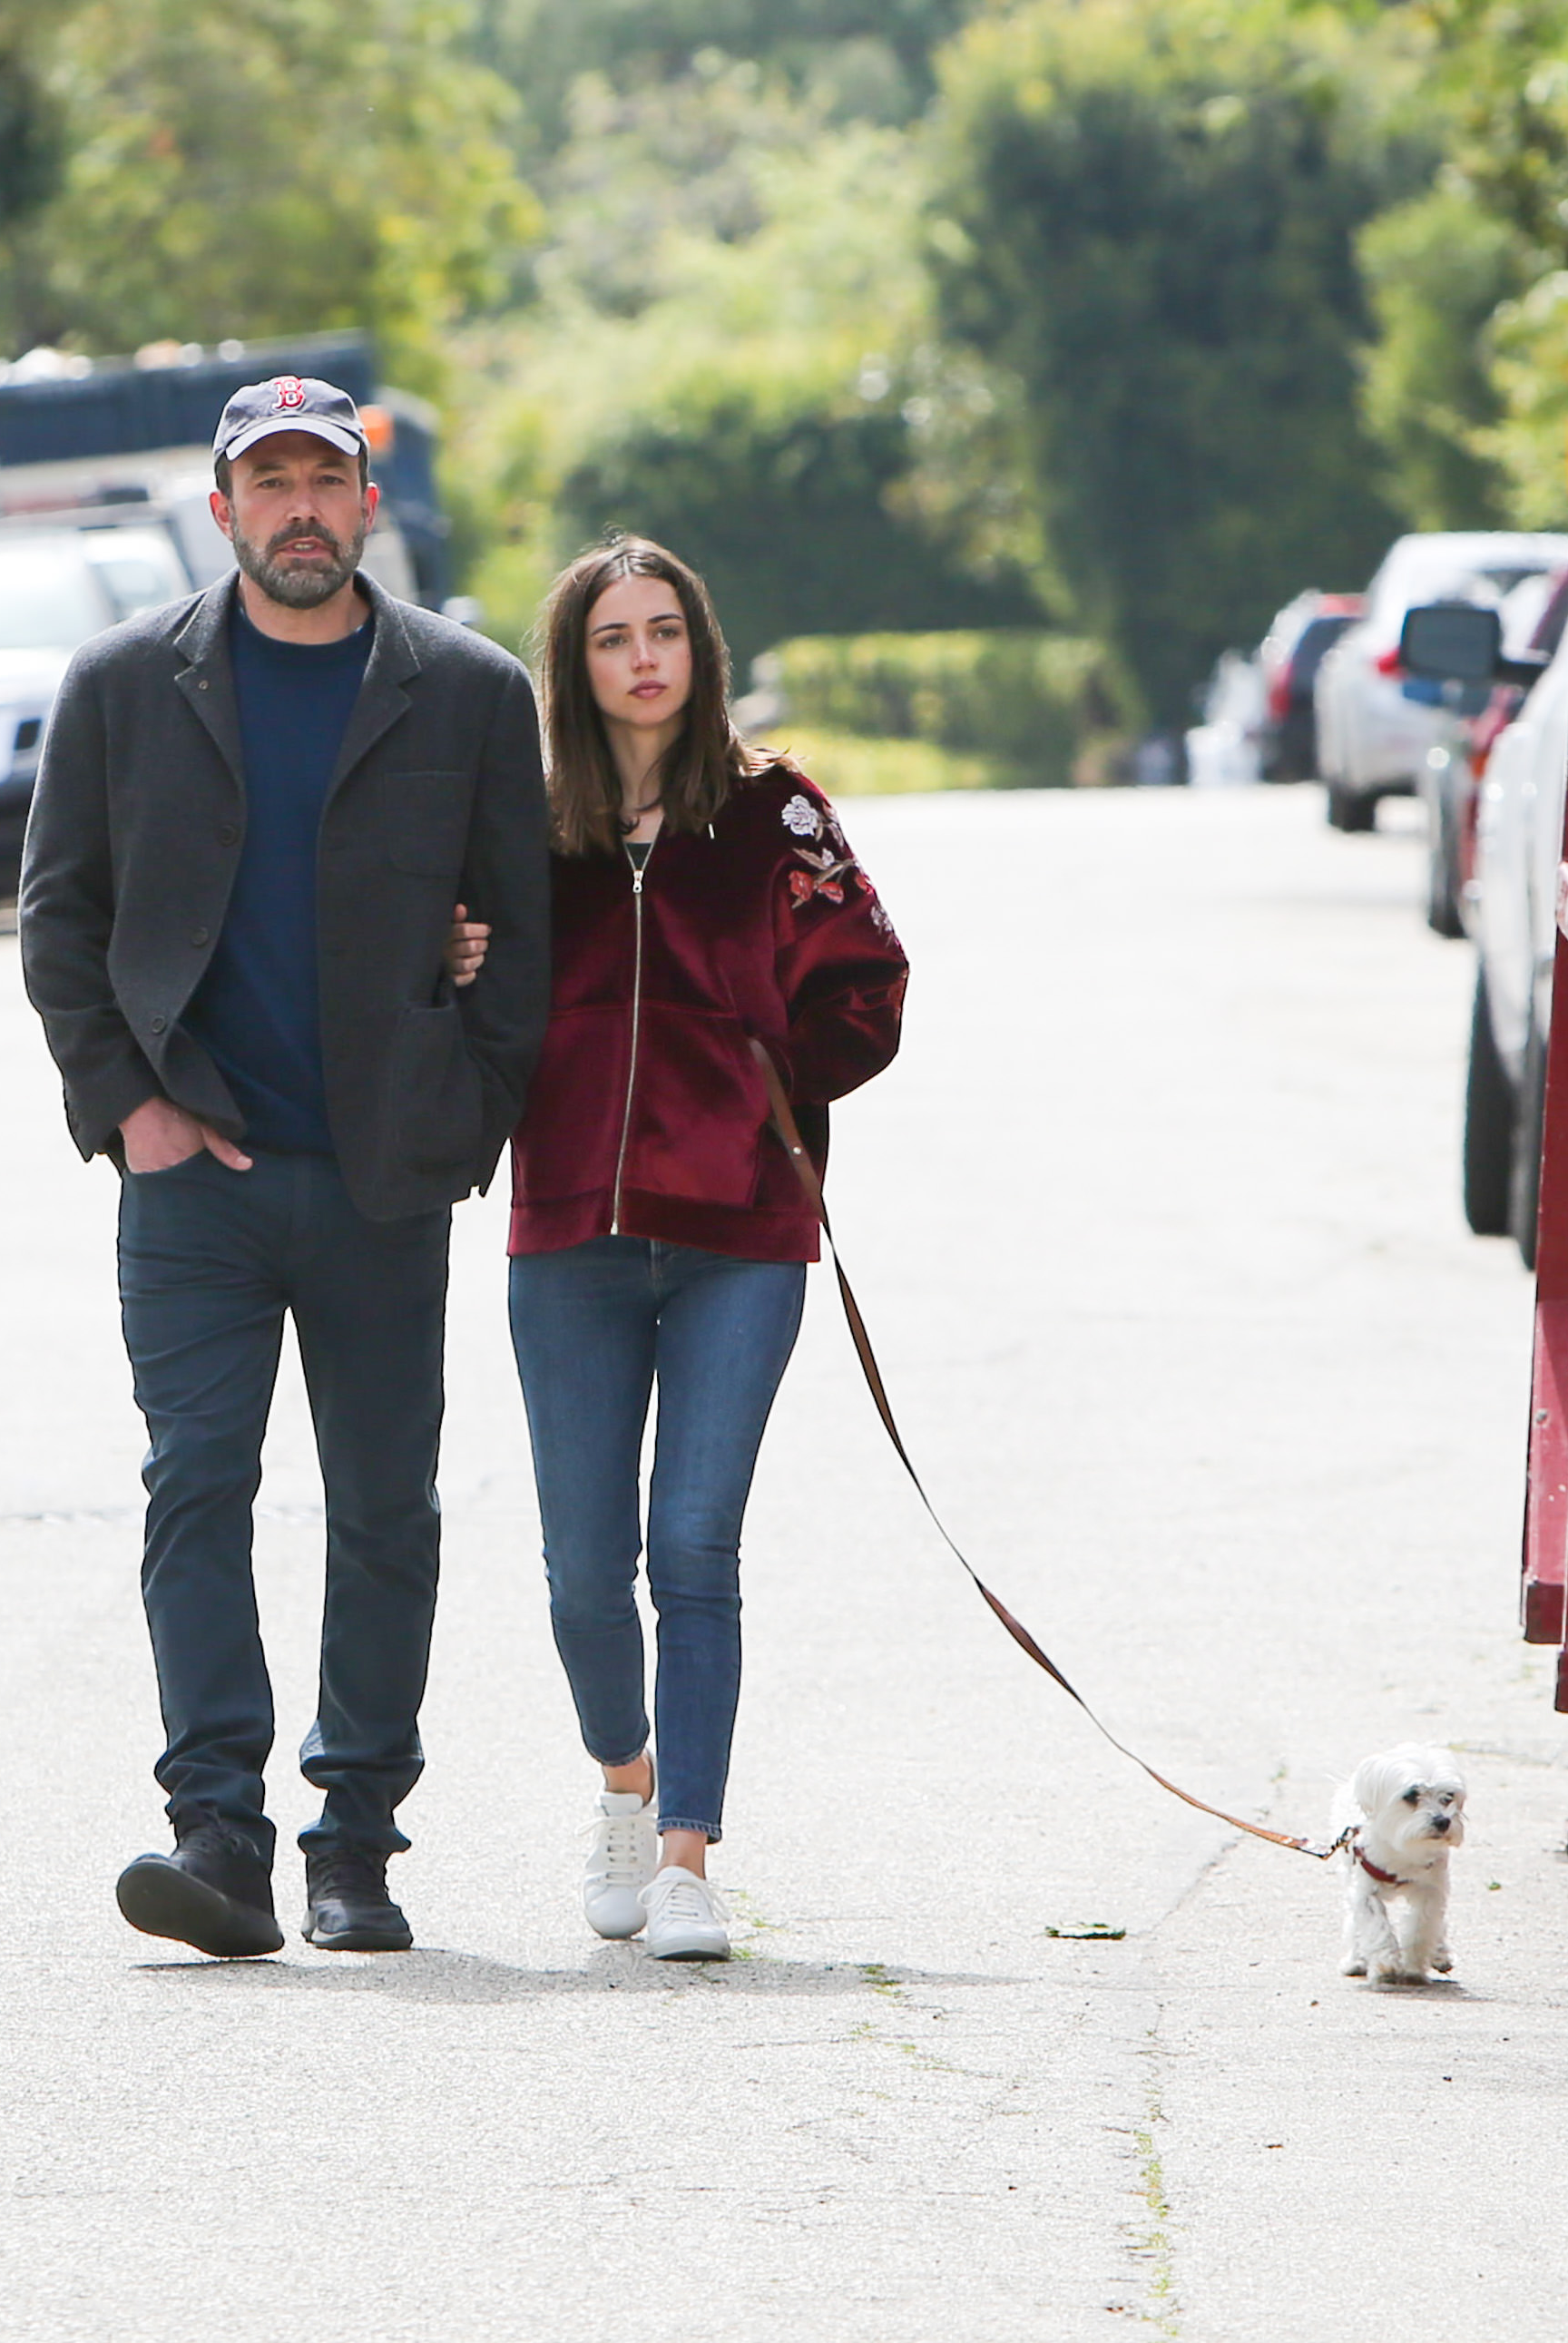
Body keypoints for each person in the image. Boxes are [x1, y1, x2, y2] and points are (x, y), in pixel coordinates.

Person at [19, 376, 550, 1959]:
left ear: (371, 503)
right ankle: (220, 1833)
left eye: (329, 478)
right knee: (198, 1486)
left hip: (384, 1174)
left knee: (388, 1507)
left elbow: (519, 940)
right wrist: (132, 1109)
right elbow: (61, 921)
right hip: (194, 1180)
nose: (301, 506)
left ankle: (356, 1841)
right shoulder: (122, 687)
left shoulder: (466, 692)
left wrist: (465, 1117)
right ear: (222, 508)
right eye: (273, 483)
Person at [502, 537, 908, 1959]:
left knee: (694, 1543)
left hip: (741, 1231)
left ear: (701, 647)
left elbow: (872, 989)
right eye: (613, 638)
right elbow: (455, 981)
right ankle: (625, 1786)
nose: (644, 658)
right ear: (577, 663)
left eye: (665, 630)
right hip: (568, 1234)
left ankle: (685, 1857)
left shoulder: (771, 813)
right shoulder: (524, 822)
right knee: (577, 1567)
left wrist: (759, 1073)